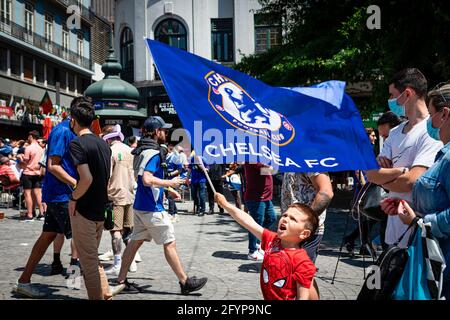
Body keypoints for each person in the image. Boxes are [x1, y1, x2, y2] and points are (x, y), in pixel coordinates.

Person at [110, 116, 208, 295]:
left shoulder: (142, 150)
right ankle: (184, 282)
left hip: (140, 206)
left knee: (133, 244)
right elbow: (147, 179)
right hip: (152, 209)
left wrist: (167, 189)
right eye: (163, 130)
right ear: (156, 132)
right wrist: (169, 183)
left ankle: (121, 280)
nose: (166, 132)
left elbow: (144, 179)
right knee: (169, 242)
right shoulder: (154, 153)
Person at [381, 82, 450, 299]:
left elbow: (409, 181)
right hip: (433, 258)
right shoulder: (444, 154)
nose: (429, 122)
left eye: (432, 114)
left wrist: (419, 222)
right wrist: (410, 208)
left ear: (445, 114)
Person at [366, 68, 443, 248]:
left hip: (418, 231)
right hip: (393, 231)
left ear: (407, 93)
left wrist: (384, 177)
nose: (391, 101)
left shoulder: (431, 131)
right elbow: (371, 174)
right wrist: (400, 171)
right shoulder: (394, 133)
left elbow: (411, 181)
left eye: (393, 95)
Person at [13, 116, 80, 298]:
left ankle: (24, 281)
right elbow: (53, 165)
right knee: (81, 237)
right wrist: (76, 184)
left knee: (48, 235)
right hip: (61, 195)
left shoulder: (69, 130)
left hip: (60, 193)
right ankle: (100, 289)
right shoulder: (62, 131)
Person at [215, 193, 318, 300]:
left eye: (293, 219)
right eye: (285, 215)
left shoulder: (303, 262)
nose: (285, 219)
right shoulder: (273, 241)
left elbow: (303, 297)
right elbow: (247, 221)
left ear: (304, 234)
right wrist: (226, 204)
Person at [68, 97, 113, 300]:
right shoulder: (103, 144)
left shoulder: (77, 144)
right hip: (99, 209)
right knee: (92, 258)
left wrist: (73, 198)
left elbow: (86, 178)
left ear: (73, 120)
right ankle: (106, 295)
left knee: (88, 264)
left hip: (85, 210)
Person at [102, 124, 140, 276]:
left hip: (114, 196)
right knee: (128, 232)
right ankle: (130, 262)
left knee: (115, 231)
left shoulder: (110, 151)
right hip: (129, 194)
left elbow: (107, 176)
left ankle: (118, 263)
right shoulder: (130, 151)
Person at [281, 172, 334, 264]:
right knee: (290, 271)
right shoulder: (292, 158)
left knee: (300, 272)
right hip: (291, 230)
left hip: (304, 231)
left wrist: (306, 220)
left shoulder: (311, 159)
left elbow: (326, 192)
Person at [243, 163, 276, 261]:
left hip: (265, 198)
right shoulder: (252, 159)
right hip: (256, 198)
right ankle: (252, 251)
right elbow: (270, 169)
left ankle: (258, 243)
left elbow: (271, 171)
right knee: (256, 224)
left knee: (271, 218)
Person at [20, 130, 44, 221]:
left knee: (27, 194)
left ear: (31, 136)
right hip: (37, 173)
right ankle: (41, 214)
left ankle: (30, 215)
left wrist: (20, 158)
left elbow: (25, 162)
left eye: (29, 136)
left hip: (28, 173)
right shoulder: (41, 149)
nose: (28, 137)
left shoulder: (29, 148)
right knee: (38, 194)